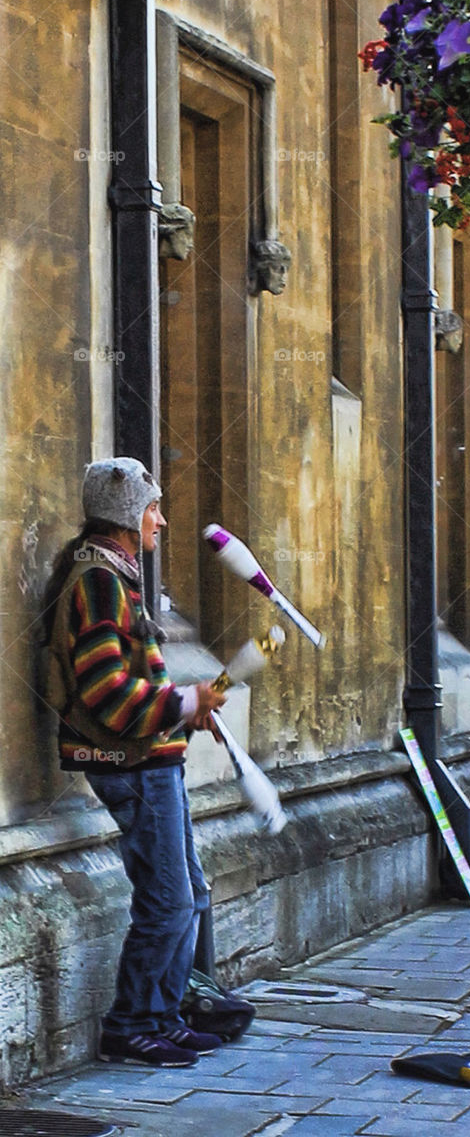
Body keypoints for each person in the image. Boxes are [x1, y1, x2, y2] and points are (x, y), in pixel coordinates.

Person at [40, 458, 227, 1068]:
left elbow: (134, 691)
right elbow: (107, 694)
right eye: (153, 508)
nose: (162, 521)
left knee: (189, 893)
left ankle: (165, 1016)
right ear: (125, 514)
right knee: (168, 900)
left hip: (151, 759)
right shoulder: (98, 582)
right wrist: (183, 700)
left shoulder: (116, 577)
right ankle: (132, 1025)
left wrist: (186, 710)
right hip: (131, 765)